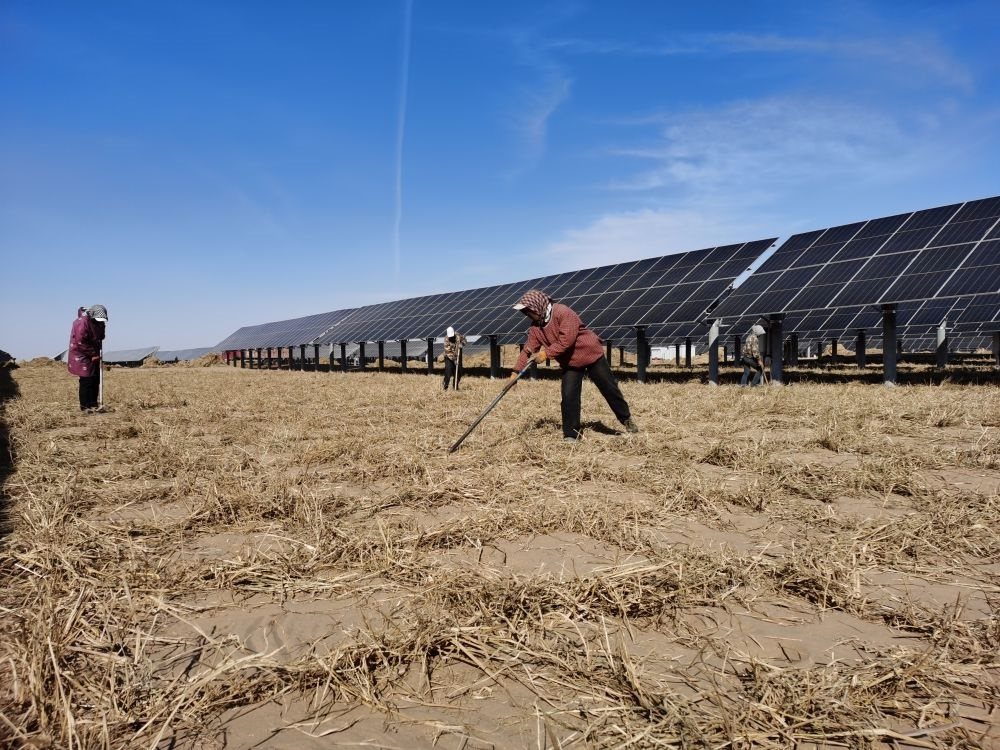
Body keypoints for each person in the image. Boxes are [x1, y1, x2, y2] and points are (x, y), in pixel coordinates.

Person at [510, 290, 638, 442]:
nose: (527, 315)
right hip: (571, 362)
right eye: (525, 312)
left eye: (528, 311)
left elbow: (567, 341)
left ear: (537, 306)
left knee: (609, 388)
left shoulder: (563, 312)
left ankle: (626, 418)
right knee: (568, 395)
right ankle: (571, 434)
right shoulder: (535, 328)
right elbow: (528, 350)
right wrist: (515, 372)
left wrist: (545, 354)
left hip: (591, 354)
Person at [67, 304, 108, 411]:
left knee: (95, 378)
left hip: (94, 352)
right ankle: (85, 406)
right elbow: (81, 341)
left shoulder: (99, 323)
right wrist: (93, 354)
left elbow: (101, 336)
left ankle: (93, 404)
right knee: (87, 379)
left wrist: (102, 327)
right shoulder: (82, 323)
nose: (100, 321)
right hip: (81, 352)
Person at [442, 326, 466, 391]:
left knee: (458, 372)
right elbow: (448, 351)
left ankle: (455, 387)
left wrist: (462, 344)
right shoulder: (446, 339)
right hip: (448, 357)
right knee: (448, 371)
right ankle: (445, 386)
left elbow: (464, 340)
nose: (451, 337)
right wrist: (454, 359)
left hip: (457, 355)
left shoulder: (458, 335)